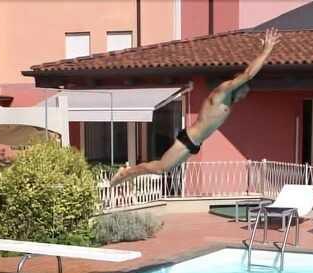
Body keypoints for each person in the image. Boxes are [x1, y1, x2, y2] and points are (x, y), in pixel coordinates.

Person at [109, 28, 281, 185]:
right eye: (243, 92)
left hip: (195, 144)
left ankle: (128, 175)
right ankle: (125, 173)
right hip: (188, 139)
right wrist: (266, 52)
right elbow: (248, 74)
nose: (244, 96)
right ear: (236, 86)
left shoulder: (228, 103)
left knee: (164, 169)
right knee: (161, 168)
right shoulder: (221, 93)